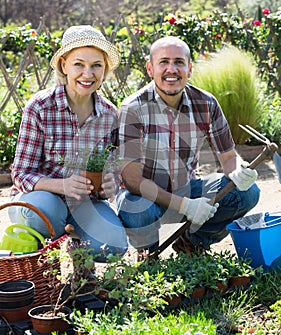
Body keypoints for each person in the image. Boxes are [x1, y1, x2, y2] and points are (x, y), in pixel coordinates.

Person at [116, 36, 260, 256]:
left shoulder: (206, 103)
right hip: (146, 198)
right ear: (150, 68)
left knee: (247, 192)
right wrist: (185, 206)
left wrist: (239, 169)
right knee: (135, 210)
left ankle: (192, 243)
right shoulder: (133, 109)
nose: (171, 69)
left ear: (189, 69)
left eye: (179, 62)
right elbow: (133, 181)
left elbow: (228, 156)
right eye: (163, 62)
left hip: (187, 188)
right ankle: (148, 258)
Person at [9, 25, 128, 261]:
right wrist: (62, 185)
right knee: (41, 213)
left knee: (113, 246)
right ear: (64, 65)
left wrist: (109, 183)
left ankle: (77, 255)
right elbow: (21, 174)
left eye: (96, 65)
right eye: (78, 64)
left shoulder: (110, 115)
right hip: (42, 198)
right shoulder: (40, 107)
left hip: (86, 204)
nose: (88, 74)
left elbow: (114, 170)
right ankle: (46, 260)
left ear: (104, 70)